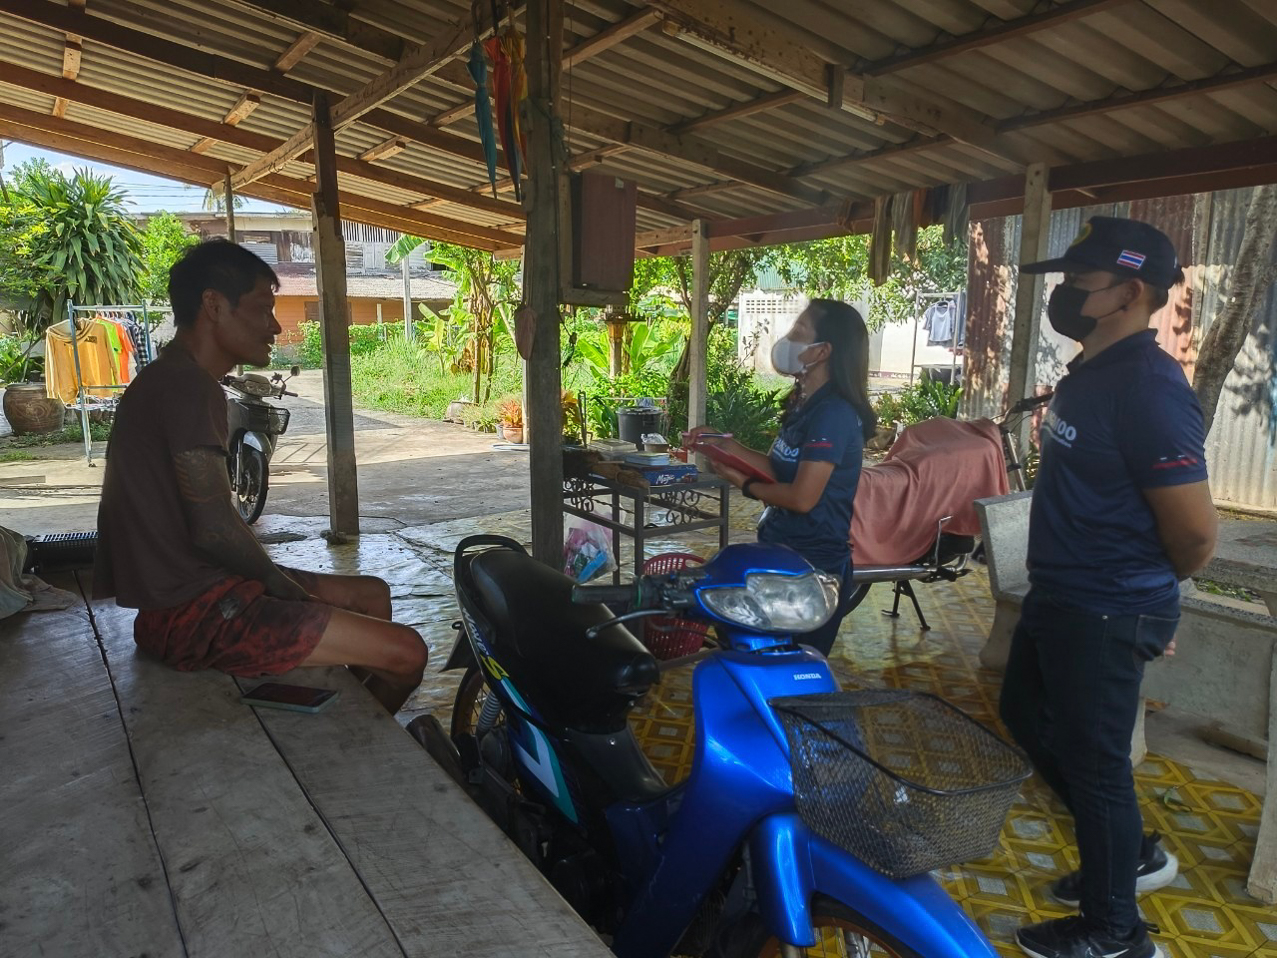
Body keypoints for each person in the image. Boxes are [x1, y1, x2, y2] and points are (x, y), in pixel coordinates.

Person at [999, 216, 1218, 958]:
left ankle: (1115, 931)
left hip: (1104, 606)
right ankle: (1129, 855)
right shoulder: (1092, 371)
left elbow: (1195, 534)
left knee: (1096, 768)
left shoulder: (1149, 389)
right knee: (1026, 714)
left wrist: (1142, 601)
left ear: (1129, 293)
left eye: (1079, 282)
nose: (1063, 294)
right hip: (1062, 593)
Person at [94, 240, 428, 713]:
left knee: (370, 594)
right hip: (191, 616)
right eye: (262, 309)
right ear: (214, 305)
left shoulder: (172, 377)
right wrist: (279, 585)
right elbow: (213, 527)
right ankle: (356, 736)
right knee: (408, 652)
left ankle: (354, 720)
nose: (275, 326)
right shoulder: (188, 387)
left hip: (203, 591)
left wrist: (279, 585)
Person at [686, 299, 875, 655]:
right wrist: (727, 446)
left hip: (812, 568)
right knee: (757, 656)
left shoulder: (833, 414)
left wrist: (744, 483)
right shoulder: (806, 403)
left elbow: (802, 498)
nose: (788, 337)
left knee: (790, 669)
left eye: (799, 330)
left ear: (822, 351)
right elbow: (778, 468)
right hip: (783, 550)